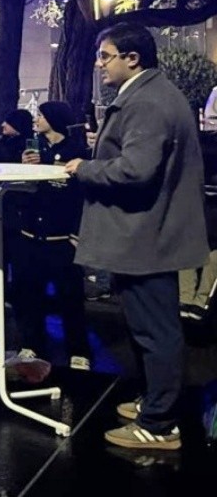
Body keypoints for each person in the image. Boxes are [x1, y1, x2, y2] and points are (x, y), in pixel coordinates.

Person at [64, 22, 208, 450]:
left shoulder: (146, 102)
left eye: (105, 56)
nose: (99, 64)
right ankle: (154, 401)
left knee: (156, 331)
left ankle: (159, 425)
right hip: (148, 235)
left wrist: (84, 168)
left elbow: (135, 170)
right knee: (150, 328)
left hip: (146, 237)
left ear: (132, 58)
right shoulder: (153, 95)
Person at [11, 102, 92, 370]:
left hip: (60, 239)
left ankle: (78, 350)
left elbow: (80, 196)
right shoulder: (31, 149)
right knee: (29, 295)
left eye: (41, 115)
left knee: (70, 298)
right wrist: (24, 169)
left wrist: (76, 235)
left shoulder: (75, 152)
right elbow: (18, 191)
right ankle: (32, 344)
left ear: (55, 119)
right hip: (30, 236)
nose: (36, 119)